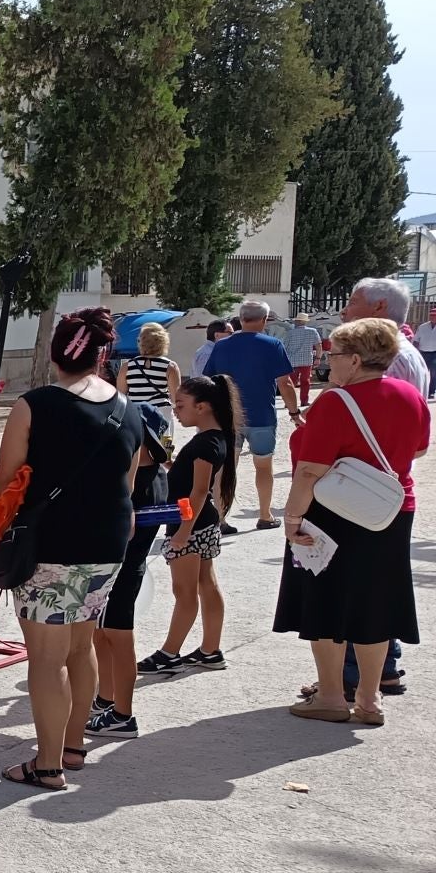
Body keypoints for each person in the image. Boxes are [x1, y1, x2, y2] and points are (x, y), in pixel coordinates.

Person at [0, 309, 145, 791]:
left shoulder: (34, 405)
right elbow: (127, 484)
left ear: (55, 354)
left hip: (50, 543)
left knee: (46, 657)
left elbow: (3, 483)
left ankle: (48, 764)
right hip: (108, 542)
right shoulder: (127, 408)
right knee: (80, 645)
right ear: (101, 355)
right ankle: (73, 746)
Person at [276, 318, 429, 725]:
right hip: (391, 510)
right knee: (375, 601)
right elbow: (418, 450)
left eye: (336, 354)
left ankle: (330, 696)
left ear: (356, 359)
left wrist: (292, 517)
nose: (329, 362)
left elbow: (310, 469)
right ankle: (369, 698)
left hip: (333, 511)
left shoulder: (336, 401)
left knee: (325, 599)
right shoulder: (411, 394)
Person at [137, 376, 241, 676]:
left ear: (202, 406)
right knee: (206, 584)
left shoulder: (206, 442)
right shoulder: (215, 437)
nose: (176, 410)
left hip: (190, 522)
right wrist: (170, 459)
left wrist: (183, 532)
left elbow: (198, 490)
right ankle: (210, 649)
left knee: (184, 591)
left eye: (181, 405)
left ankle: (169, 654)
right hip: (202, 520)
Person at [87, 401, 174, 737]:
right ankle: (106, 698)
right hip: (122, 567)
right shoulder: (154, 475)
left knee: (118, 638)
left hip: (122, 569)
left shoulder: (139, 482)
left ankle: (123, 714)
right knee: (102, 635)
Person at [202, 300, 301, 531]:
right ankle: (265, 515)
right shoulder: (273, 345)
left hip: (229, 416)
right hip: (262, 415)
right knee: (263, 466)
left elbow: (209, 380)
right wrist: (294, 412)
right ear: (265, 320)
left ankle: (221, 517)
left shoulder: (221, 346)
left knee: (226, 467)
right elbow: (285, 383)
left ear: (240, 318)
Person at [342, 277, 431, 397]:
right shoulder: (396, 353)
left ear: (379, 306)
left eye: (352, 303)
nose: (344, 311)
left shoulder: (388, 360)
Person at [117, 322, 179, 414]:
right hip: (161, 414)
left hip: (136, 413)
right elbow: (176, 399)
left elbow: (120, 397)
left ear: (141, 343)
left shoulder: (127, 366)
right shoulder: (170, 366)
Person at [283, 315, 323, 407]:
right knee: (305, 382)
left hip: (292, 361)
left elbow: (285, 347)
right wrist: (318, 358)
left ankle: (289, 402)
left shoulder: (290, 333)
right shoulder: (312, 331)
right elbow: (318, 346)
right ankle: (304, 401)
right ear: (305, 322)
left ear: (298, 322)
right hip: (306, 361)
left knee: (291, 382)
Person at [414, 314, 436, 399]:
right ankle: (421, 390)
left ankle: (431, 392)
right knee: (422, 372)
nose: (433, 317)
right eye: (432, 316)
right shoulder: (422, 327)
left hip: (434, 353)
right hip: (423, 353)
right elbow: (416, 340)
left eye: (435, 316)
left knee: (434, 373)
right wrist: (415, 351)